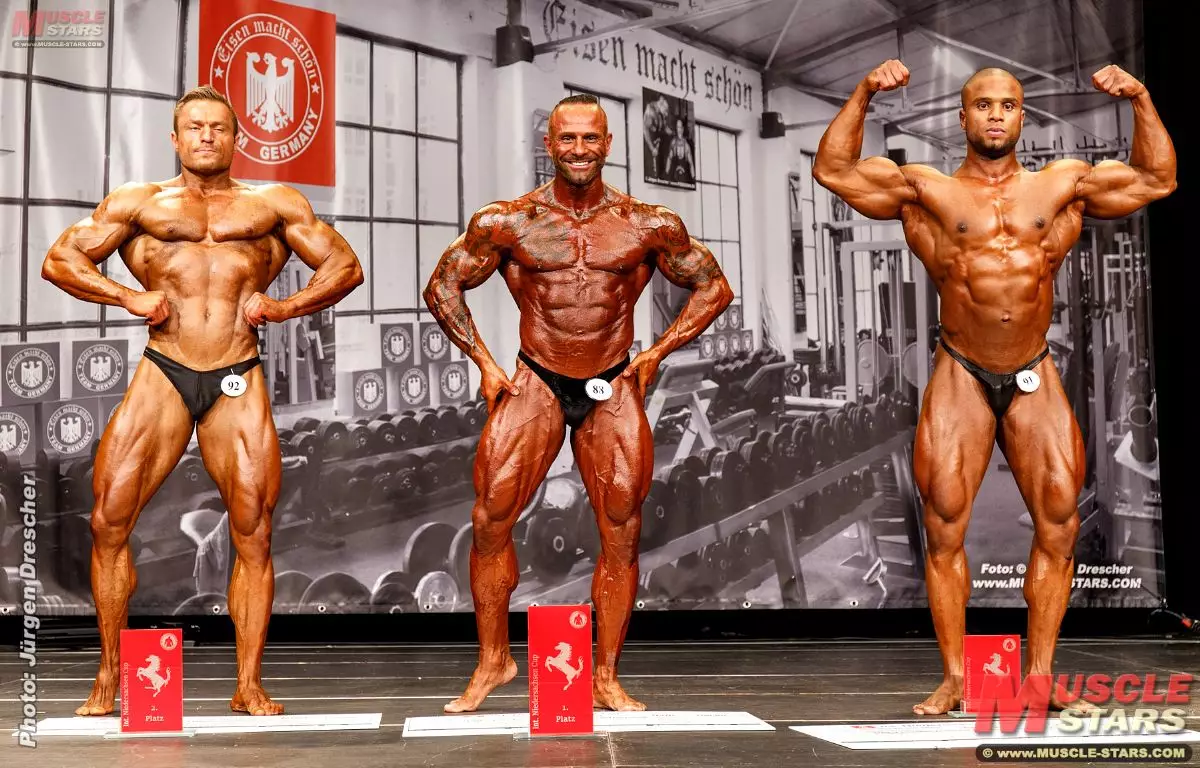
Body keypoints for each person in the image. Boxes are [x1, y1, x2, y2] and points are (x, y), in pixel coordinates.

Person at [813, 61, 1176, 715]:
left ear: (1022, 115)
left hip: (1033, 368)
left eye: (1007, 104)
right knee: (944, 524)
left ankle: (1040, 679)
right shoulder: (925, 190)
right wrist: (863, 91)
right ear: (963, 117)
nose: (996, 115)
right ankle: (955, 679)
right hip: (962, 370)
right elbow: (834, 171)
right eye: (983, 105)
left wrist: (1142, 98)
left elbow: (1158, 178)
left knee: (1059, 523)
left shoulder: (1061, 184)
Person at [41, 85, 364, 716]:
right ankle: (108, 677)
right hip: (164, 366)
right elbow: (61, 259)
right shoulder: (139, 202)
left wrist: (285, 307)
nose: (207, 136)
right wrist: (127, 297)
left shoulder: (273, 203)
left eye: (219, 127)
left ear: (237, 138)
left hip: (237, 371)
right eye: (194, 127)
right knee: (108, 521)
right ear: (176, 137)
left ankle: (248, 684)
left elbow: (345, 266)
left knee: (253, 531)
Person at [423, 92, 733, 713]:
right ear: (549, 144)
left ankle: (605, 676)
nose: (579, 149)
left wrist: (657, 353)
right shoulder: (509, 221)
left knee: (620, 530)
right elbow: (443, 284)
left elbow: (714, 287)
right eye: (567, 138)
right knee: (490, 518)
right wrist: (484, 362)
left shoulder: (647, 224)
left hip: (610, 380)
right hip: (537, 378)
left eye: (591, 138)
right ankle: (493, 661)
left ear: (608, 144)